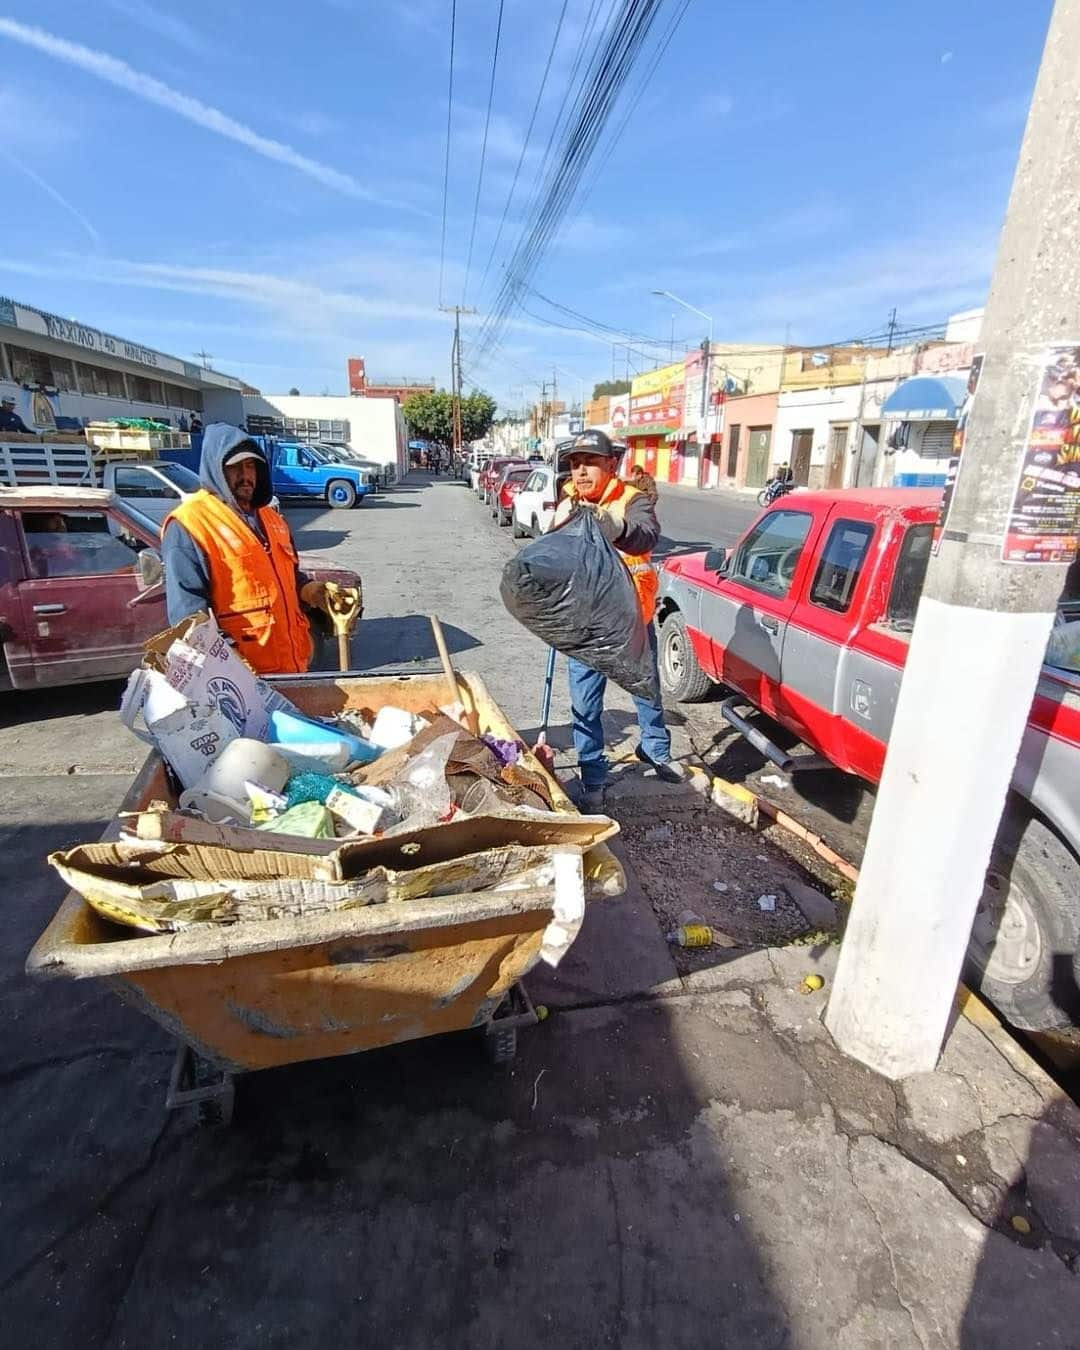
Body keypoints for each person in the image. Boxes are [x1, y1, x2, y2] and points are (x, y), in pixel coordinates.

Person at [550, 428, 683, 812]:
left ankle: (655, 751)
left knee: (646, 691)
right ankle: (593, 774)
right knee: (585, 704)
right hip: (586, 627)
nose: (580, 471)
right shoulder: (567, 503)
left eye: (590, 462)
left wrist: (616, 527)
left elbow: (646, 536)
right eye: (575, 464)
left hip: (631, 623)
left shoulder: (632, 500)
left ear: (611, 464)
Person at [162, 423, 330, 674]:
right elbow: (189, 618)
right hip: (242, 679)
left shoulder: (272, 520)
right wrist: (229, 665)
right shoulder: (190, 524)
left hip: (293, 669)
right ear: (216, 469)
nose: (245, 475)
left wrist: (311, 591)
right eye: (235, 467)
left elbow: (287, 578)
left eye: (251, 466)